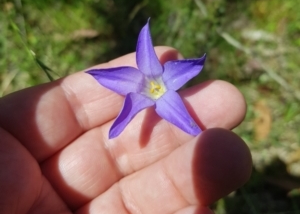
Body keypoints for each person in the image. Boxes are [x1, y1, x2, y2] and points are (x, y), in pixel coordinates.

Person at [0, 47, 252, 214]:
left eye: (155, 88)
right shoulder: (144, 94)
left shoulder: (164, 88)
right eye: (153, 88)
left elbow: (189, 68)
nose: (155, 89)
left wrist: (193, 127)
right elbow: (124, 117)